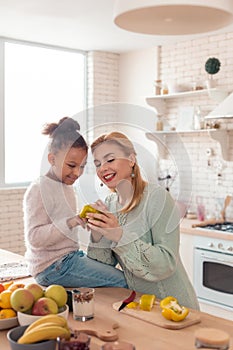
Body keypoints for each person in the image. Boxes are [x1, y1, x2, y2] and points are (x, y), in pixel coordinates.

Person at [86, 131, 199, 309]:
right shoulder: (109, 204)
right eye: (98, 164)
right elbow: (103, 266)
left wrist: (119, 235)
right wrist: (97, 234)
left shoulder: (158, 198)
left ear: (131, 159)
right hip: (140, 306)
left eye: (110, 160)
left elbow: (166, 264)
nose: (102, 168)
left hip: (175, 307)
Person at [23, 117, 128, 288]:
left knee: (113, 269)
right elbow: (34, 238)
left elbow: (63, 227)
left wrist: (83, 220)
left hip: (69, 259)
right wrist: (71, 221)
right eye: (71, 165)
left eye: (82, 166)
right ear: (52, 159)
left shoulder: (66, 186)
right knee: (123, 281)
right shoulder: (39, 189)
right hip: (52, 267)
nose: (77, 172)